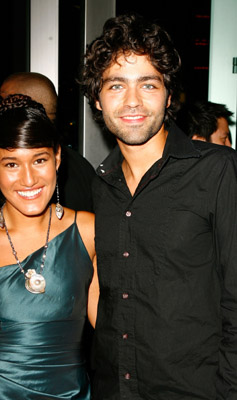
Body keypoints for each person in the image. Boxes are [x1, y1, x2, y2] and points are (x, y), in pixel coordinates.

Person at [80, 13, 237, 399]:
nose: (132, 101)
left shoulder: (217, 171)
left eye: (147, 84)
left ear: (169, 95)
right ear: (97, 101)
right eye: (116, 85)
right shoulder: (97, 186)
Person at [0, 94, 99, 399]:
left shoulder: (88, 231)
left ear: (57, 158)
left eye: (39, 160)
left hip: (69, 392)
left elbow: (116, 327)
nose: (29, 179)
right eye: (11, 164)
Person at [0, 72, 96, 212]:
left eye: (4, 101)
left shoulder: (72, 171)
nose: (28, 180)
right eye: (12, 164)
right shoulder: (80, 164)